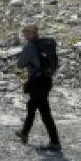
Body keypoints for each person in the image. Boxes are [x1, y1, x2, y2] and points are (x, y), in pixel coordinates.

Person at [14, 24, 61, 152]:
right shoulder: (46, 45)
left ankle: (55, 142)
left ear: (32, 33)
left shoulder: (30, 47)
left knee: (44, 112)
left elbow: (19, 64)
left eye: (26, 33)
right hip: (46, 80)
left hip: (37, 82)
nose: (24, 35)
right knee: (32, 106)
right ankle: (24, 132)